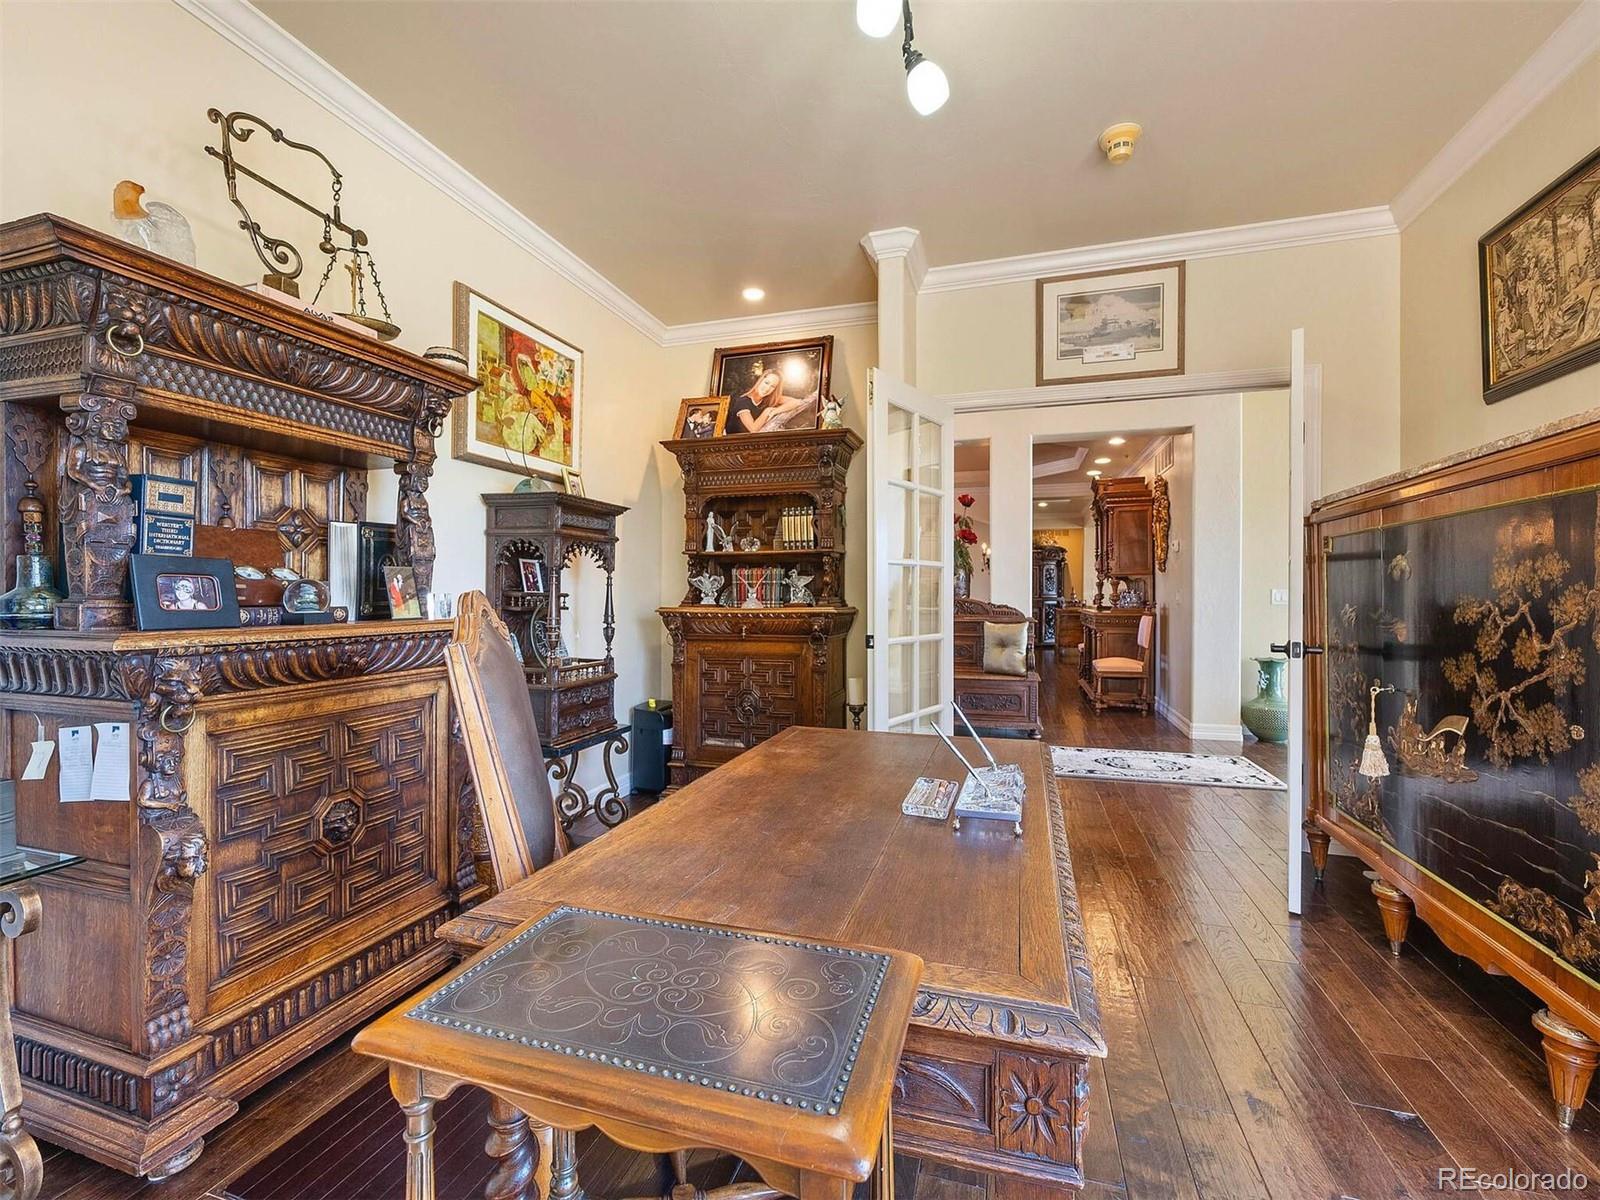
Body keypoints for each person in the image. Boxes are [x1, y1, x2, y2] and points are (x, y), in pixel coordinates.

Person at [727, 369, 814, 434]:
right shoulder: (743, 402)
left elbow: (796, 402)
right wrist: (767, 411)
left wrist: (775, 411)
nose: (767, 388)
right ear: (761, 380)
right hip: (733, 445)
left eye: (772, 386)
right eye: (766, 383)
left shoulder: (768, 399)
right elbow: (753, 429)